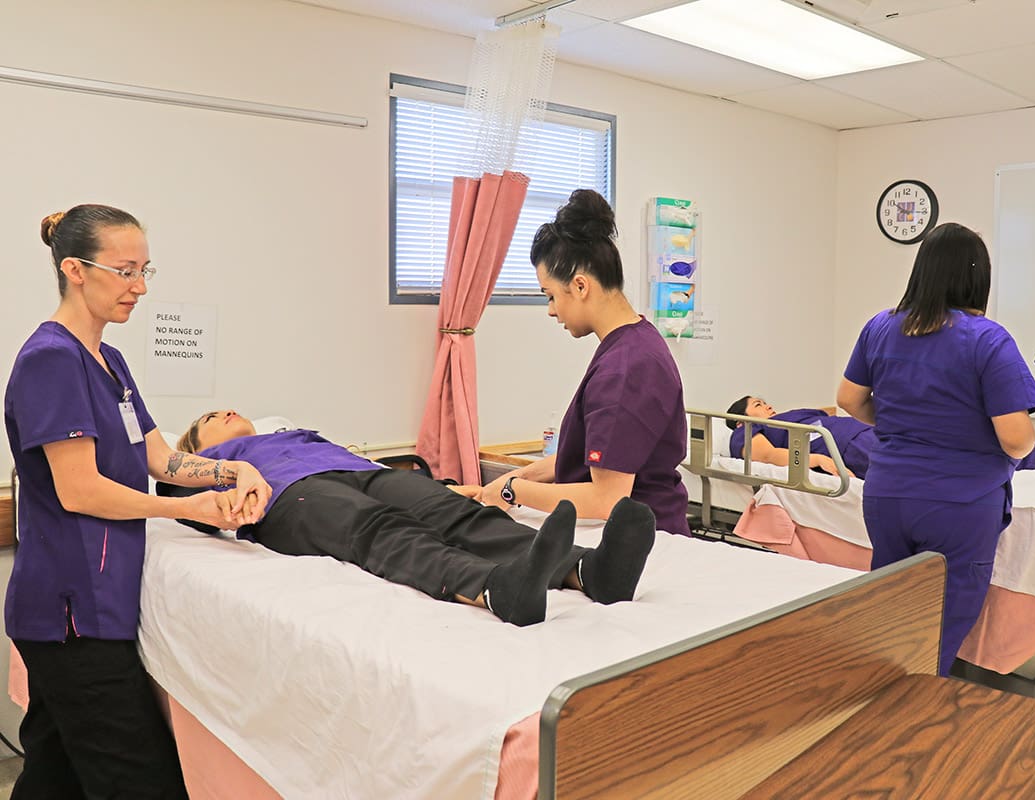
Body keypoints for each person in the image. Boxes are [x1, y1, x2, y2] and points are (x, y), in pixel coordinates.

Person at [4, 204, 272, 799]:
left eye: (144, 270)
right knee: (140, 781)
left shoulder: (110, 360)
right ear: (75, 269)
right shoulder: (52, 360)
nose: (140, 287)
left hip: (96, 603)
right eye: (125, 271)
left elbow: (160, 458)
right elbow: (79, 489)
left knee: (55, 774)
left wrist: (231, 470)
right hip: (70, 612)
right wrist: (187, 509)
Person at [166, 410, 657, 625]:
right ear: (196, 445)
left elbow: (367, 462)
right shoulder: (206, 463)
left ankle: (587, 570)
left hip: (361, 471)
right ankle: (494, 587)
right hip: (290, 496)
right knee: (378, 528)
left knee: (454, 512)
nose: (226, 412)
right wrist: (218, 494)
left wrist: (445, 487)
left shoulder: (297, 434)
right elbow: (177, 493)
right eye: (211, 417)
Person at [836, 222, 1035, 677]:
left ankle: (876, 700)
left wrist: (900, 424)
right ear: (977, 277)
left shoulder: (881, 326)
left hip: (887, 494)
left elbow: (849, 400)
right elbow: (1016, 438)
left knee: (892, 613)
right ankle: (912, 712)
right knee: (939, 631)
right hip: (958, 503)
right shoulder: (987, 338)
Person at [469, 190, 689, 536]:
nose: (551, 310)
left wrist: (514, 491)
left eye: (551, 295)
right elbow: (595, 458)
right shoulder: (635, 342)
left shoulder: (625, 368)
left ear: (581, 286)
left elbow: (606, 499)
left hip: (642, 541)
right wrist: (513, 479)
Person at [725, 397, 878, 478]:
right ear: (740, 422)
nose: (768, 406)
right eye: (758, 405)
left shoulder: (785, 418)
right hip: (851, 445)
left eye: (765, 403)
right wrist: (817, 459)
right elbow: (767, 456)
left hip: (871, 430)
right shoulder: (746, 429)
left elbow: (829, 414)